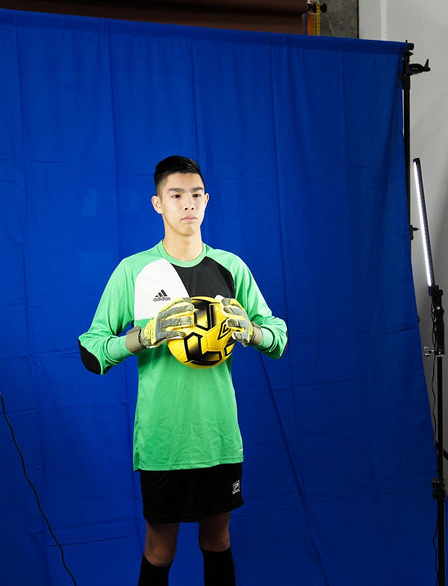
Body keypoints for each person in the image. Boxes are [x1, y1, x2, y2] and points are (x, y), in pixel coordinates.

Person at [78, 155, 287, 586]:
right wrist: (143, 336)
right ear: (158, 203)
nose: (187, 203)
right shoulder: (135, 271)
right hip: (164, 440)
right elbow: (91, 350)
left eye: (195, 194)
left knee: (217, 541)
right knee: (160, 549)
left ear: (207, 200)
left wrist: (252, 332)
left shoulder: (231, 267)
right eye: (176, 195)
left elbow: (278, 337)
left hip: (218, 437)